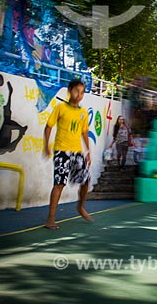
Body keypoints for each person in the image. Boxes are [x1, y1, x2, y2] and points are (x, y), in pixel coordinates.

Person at [43, 79, 93, 230]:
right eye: (77, 91)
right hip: (62, 151)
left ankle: (80, 207)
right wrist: (46, 146)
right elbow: (48, 127)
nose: (79, 95)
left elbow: (84, 132)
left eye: (82, 92)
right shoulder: (60, 107)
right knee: (59, 184)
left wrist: (88, 151)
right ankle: (50, 219)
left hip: (77, 152)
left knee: (86, 181)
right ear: (70, 90)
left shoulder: (83, 112)